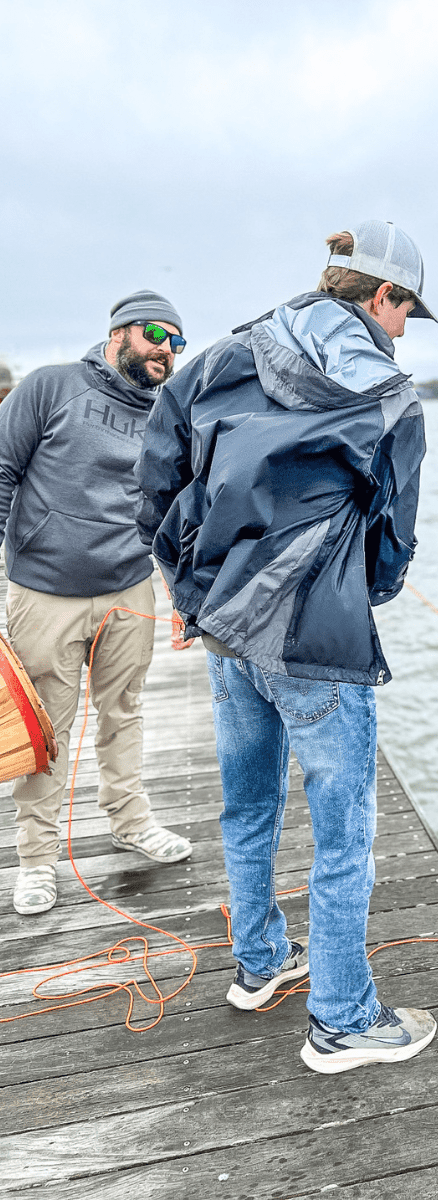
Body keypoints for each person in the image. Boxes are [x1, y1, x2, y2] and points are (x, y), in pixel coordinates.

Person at [135, 221, 437, 1073]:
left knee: (249, 806)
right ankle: (341, 1020)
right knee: (344, 839)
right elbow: (390, 548)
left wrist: (187, 591)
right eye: (406, 308)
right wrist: (356, 592)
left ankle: (260, 965)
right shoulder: (389, 397)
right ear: (382, 296)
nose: (404, 330)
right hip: (315, 645)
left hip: (228, 632)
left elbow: (158, 471)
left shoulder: (227, 355)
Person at [0, 290, 194, 917]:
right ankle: (35, 859)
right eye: (158, 336)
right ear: (120, 332)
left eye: (179, 343)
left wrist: (185, 592)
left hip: (130, 588)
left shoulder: (170, 411)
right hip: (44, 591)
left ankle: (129, 821)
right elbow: (3, 470)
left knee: (126, 712)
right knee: (46, 728)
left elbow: (177, 508)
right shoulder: (52, 387)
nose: (168, 352)